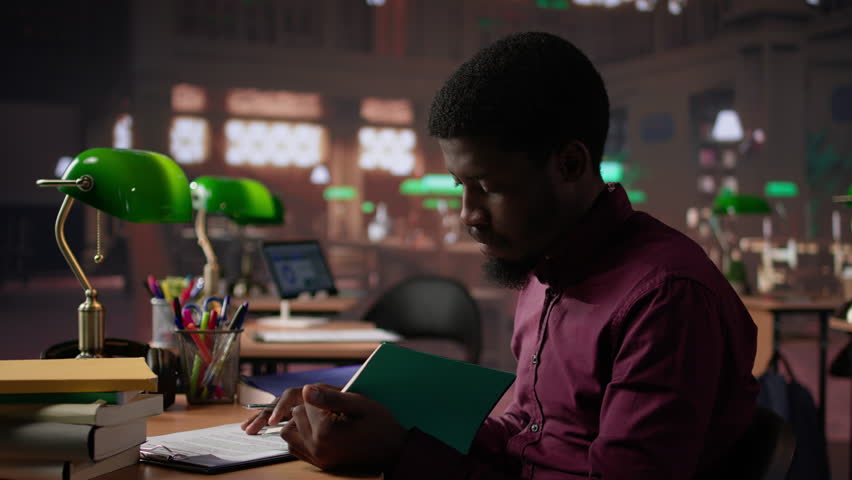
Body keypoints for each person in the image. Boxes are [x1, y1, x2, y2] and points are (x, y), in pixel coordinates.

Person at [242, 31, 758, 479]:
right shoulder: (546, 268)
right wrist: (373, 419)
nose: (469, 214)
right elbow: (525, 436)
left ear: (571, 164)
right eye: (459, 185)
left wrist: (401, 453)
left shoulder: (665, 300)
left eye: (487, 186)